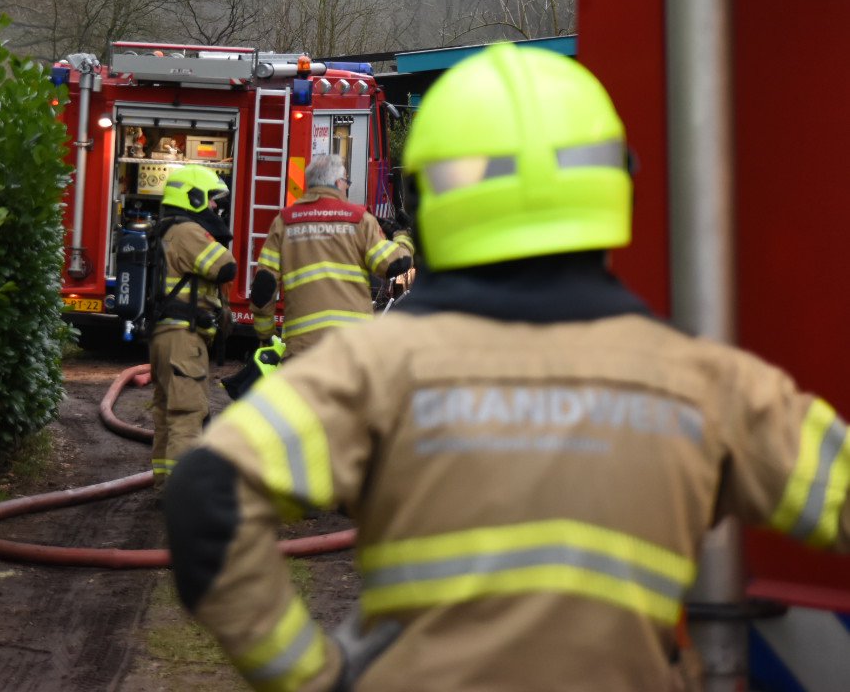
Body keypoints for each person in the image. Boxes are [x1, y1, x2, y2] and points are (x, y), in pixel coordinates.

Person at [164, 42, 850, 692]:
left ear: (421, 200)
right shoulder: (705, 383)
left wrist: (316, 675)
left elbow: (209, 495)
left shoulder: (373, 371)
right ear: (618, 186)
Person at [247, 153, 413, 359]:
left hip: (303, 348)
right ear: (337, 182)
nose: (347, 187)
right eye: (346, 182)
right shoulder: (360, 219)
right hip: (352, 347)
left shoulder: (285, 221)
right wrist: (402, 237)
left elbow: (264, 287)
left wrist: (266, 334)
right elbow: (392, 263)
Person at [149, 163, 238, 484]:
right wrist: (215, 229)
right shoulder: (188, 232)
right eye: (211, 199)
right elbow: (225, 267)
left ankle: (163, 483)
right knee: (187, 415)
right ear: (194, 197)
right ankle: (181, 494)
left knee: (165, 413)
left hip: (164, 334)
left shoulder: (165, 228)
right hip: (183, 337)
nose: (216, 206)